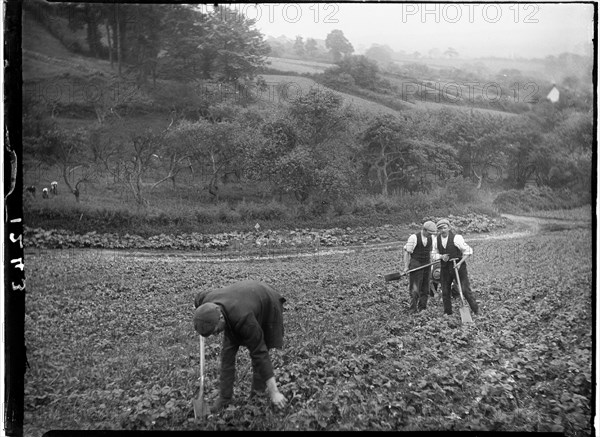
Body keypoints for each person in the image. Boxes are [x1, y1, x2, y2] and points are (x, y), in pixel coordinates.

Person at [193, 280, 287, 412]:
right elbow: (199, 298)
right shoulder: (208, 301)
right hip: (240, 299)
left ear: (221, 318)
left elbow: (260, 354)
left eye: (215, 331)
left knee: (260, 350)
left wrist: (274, 392)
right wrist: (200, 317)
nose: (215, 335)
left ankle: (257, 396)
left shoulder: (245, 320)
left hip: (267, 302)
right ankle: (225, 398)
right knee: (227, 354)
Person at [431, 218, 479, 316]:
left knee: (465, 290)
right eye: (440, 229)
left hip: (458, 267)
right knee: (445, 291)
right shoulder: (436, 240)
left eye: (444, 228)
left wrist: (460, 262)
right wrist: (441, 256)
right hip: (445, 267)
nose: (443, 230)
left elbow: (468, 251)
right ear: (438, 230)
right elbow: (433, 254)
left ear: (448, 227)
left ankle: (476, 310)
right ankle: (448, 313)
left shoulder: (457, 238)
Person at [402, 220, 437, 312]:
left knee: (425, 288)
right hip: (416, 264)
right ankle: (413, 309)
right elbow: (407, 252)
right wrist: (406, 267)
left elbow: (431, 252)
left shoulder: (432, 238)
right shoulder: (413, 238)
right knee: (415, 288)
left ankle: (423, 308)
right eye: (429, 233)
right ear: (424, 230)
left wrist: (434, 260)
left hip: (427, 264)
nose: (430, 235)